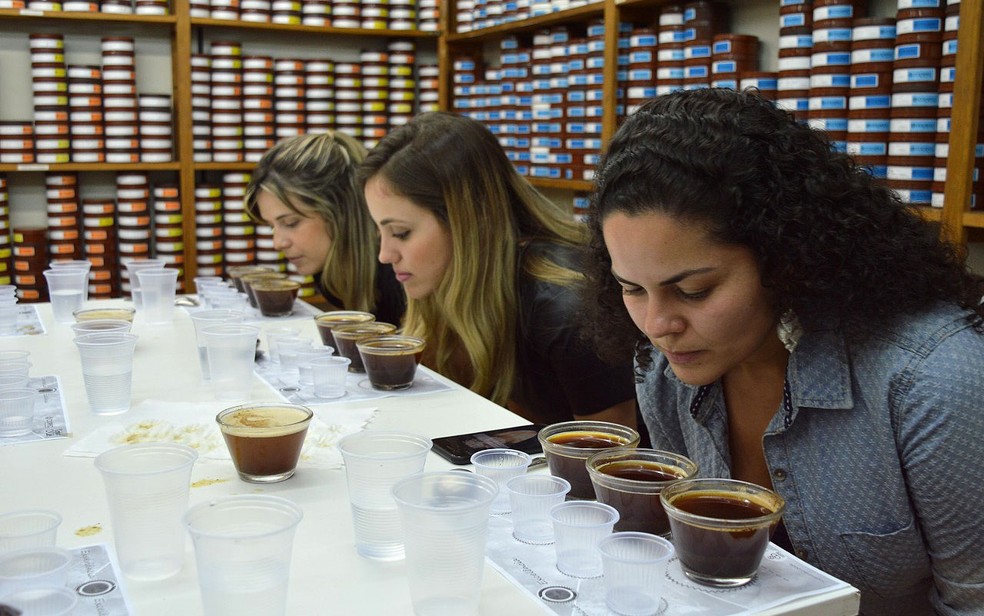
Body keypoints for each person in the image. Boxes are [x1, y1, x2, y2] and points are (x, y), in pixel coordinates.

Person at [582, 87, 984, 615]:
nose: (659, 325)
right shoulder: (661, 367)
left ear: (784, 257)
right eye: (632, 289)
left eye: (694, 290)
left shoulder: (933, 380)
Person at [357, 112, 637, 428]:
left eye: (401, 232)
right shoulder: (440, 278)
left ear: (466, 222)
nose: (384, 255)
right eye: (379, 232)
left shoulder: (565, 309)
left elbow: (607, 459)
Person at [245, 131, 406, 325]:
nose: (278, 243)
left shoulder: (399, 274)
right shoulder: (329, 275)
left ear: (340, 213)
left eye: (291, 223)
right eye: (272, 226)